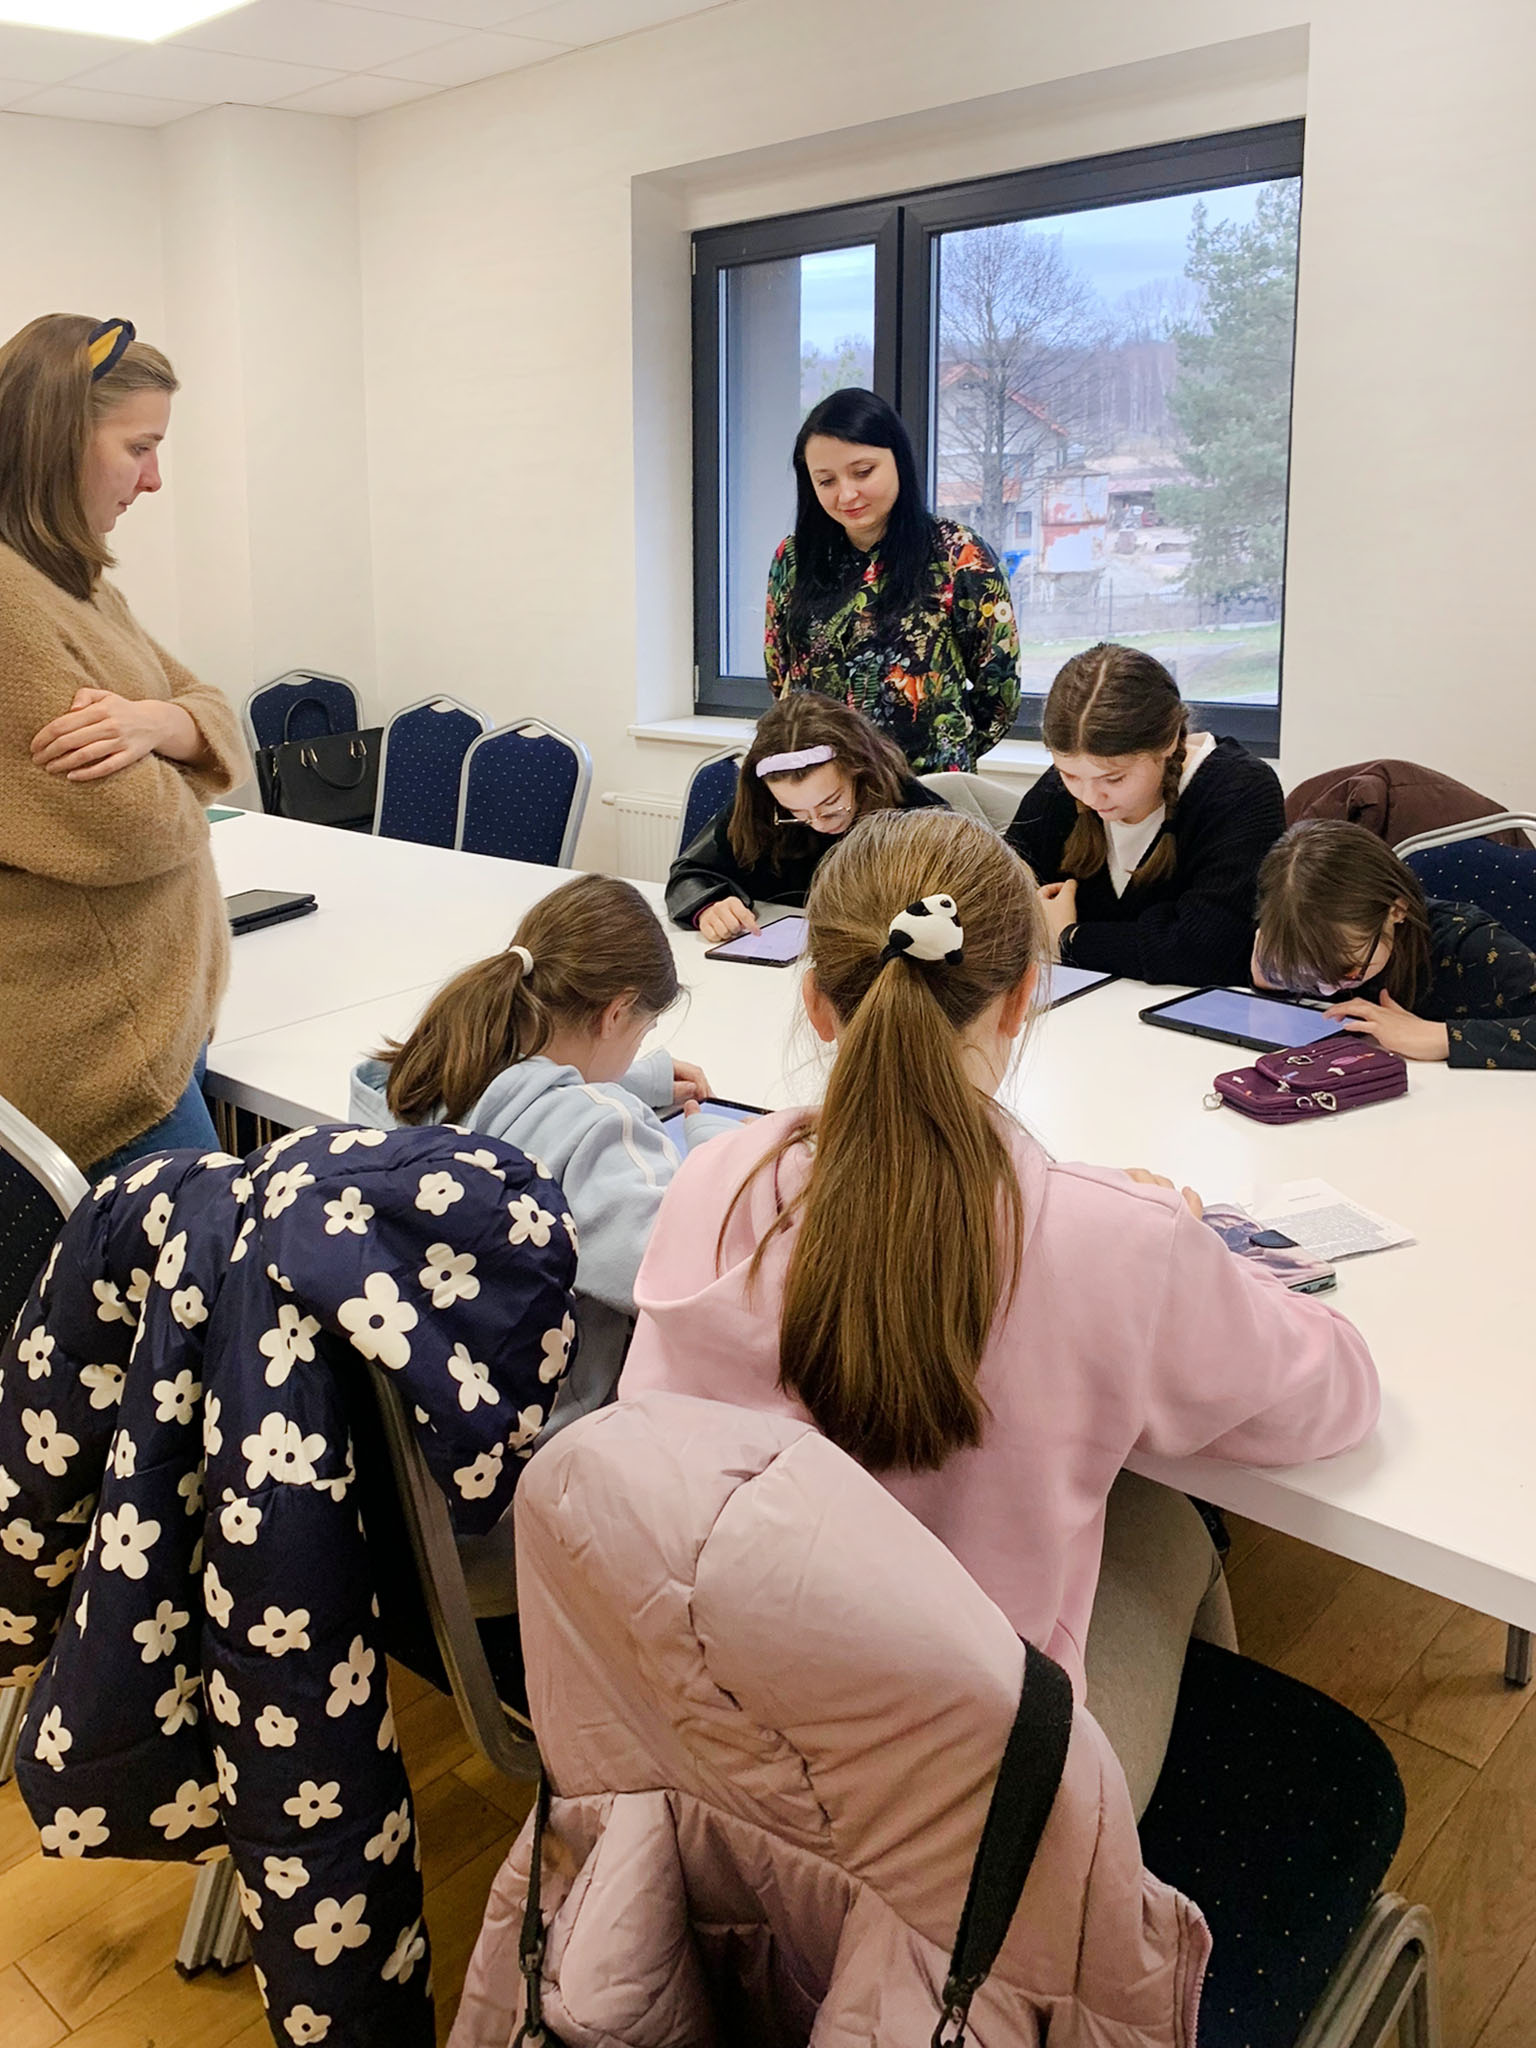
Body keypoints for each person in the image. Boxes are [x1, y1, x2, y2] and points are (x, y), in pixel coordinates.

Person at [621, 808, 1378, 1813]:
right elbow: (1332, 1399)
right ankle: (1108, 1870)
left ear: (816, 1003)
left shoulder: (713, 1180)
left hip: (718, 1731)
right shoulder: (1118, 1242)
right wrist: (1191, 1251)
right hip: (961, 1795)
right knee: (1169, 1522)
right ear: (1026, 995)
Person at [0, 313, 249, 1176]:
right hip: (102, 1063)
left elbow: (210, 704)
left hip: (158, 1024)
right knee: (194, 1263)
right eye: (139, 448)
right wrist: (195, 766)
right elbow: (132, 828)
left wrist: (163, 726)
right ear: (55, 439)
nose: (154, 480)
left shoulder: (76, 583)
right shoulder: (10, 605)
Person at [350, 873, 740, 1318]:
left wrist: (625, 1079)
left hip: (412, 1337)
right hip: (552, 1361)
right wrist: (725, 1156)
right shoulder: (599, 1131)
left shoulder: (413, 1075)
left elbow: (515, 1094)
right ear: (615, 1014)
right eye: (643, 1031)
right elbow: (682, 1276)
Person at [764, 387, 1020, 773]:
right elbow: (780, 674)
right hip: (822, 787)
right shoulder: (793, 559)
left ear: (898, 459)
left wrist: (948, 750)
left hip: (925, 789)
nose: (847, 494)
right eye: (826, 481)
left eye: (863, 472)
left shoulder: (957, 554)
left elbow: (999, 689)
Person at [1004, 641, 1285, 985]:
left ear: (1168, 742)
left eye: (1114, 778)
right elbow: (1000, 896)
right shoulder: (1061, 790)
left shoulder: (1242, 791)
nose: (1090, 796)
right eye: (1070, 775)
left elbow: (1203, 950)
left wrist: (1070, 938)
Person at [1252, 819, 1536, 1068]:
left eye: (1349, 971)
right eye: (1308, 976)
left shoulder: (1467, 943)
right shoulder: (1304, 940)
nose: (1328, 989)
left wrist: (1442, 1037)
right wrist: (1273, 978)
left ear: (1396, 911)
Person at [666, 693, 948, 940]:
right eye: (795, 812)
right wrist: (710, 907)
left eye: (831, 803)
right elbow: (691, 873)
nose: (818, 823)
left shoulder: (917, 813)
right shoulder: (761, 808)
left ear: (860, 773)